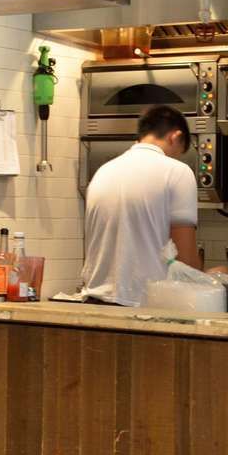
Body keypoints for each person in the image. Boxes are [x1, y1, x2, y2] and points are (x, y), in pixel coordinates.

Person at [80, 104, 202, 305]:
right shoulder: (177, 172)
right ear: (175, 137)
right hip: (145, 304)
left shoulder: (103, 172)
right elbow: (186, 261)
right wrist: (208, 280)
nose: (176, 158)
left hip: (95, 302)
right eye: (178, 152)